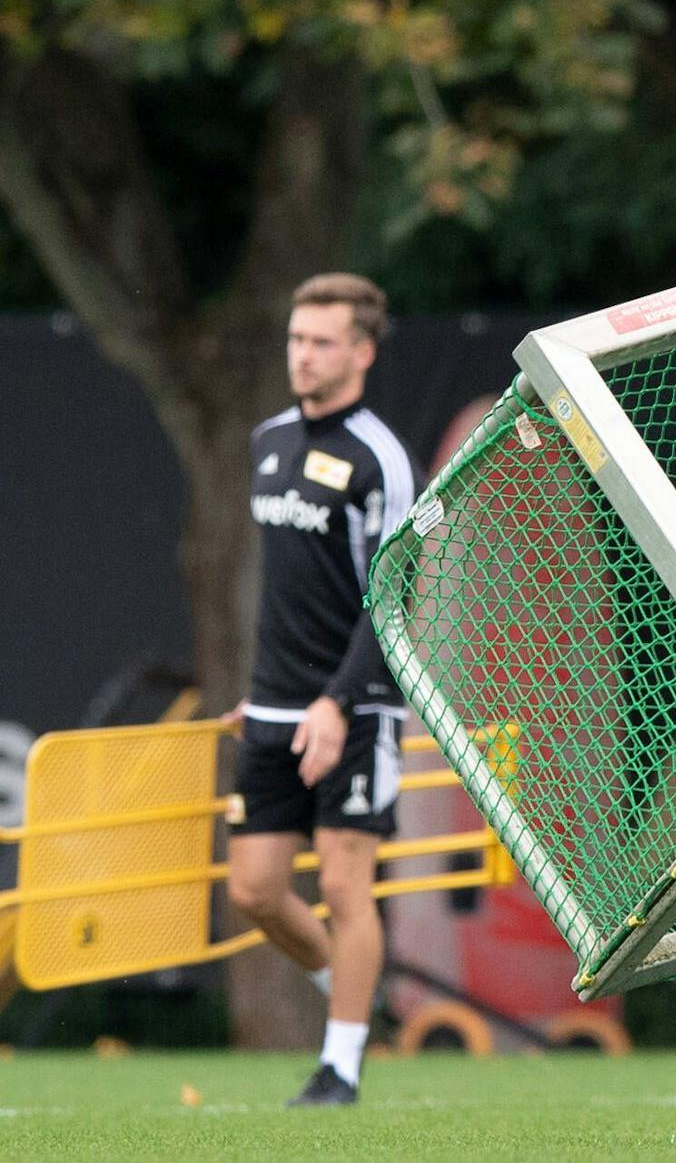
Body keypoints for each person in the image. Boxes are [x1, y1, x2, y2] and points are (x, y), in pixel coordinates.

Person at [221, 273, 419, 1107]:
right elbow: (286, 589)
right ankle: (351, 978)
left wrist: (338, 701)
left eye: (322, 341)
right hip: (270, 707)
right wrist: (262, 694)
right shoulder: (267, 441)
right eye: (296, 338)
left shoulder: (380, 458)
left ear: (362, 352)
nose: (303, 355)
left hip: (357, 706)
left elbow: (390, 597)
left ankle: (340, 1063)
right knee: (256, 892)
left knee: (344, 885)